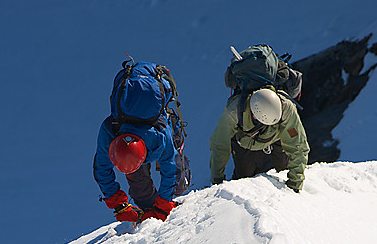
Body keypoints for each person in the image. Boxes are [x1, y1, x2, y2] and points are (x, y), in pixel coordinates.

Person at [94, 88, 190, 224]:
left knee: (178, 187)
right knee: (141, 193)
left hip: (158, 134)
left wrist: (164, 204)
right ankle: (151, 213)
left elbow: (171, 168)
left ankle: (163, 204)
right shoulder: (109, 131)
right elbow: (102, 169)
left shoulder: (160, 136)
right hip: (134, 141)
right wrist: (118, 205)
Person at [209, 85, 309, 192]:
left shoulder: (286, 108)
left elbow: (298, 145)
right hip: (245, 142)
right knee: (243, 176)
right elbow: (219, 145)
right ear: (254, 114)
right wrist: (217, 179)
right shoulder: (234, 111)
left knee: (283, 168)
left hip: (275, 139)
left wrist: (295, 183)